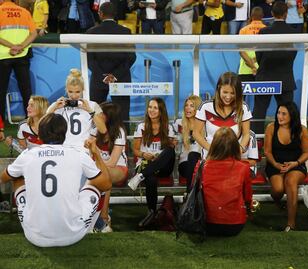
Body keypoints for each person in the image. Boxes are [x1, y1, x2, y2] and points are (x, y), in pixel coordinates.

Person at [0, 113, 111, 247]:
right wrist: (96, 154)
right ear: (65, 134)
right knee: (95, 183)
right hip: (73, 235)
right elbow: (106, 185)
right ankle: (98, 225)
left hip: (34, 236)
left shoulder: (27, 155)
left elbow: (4, 178)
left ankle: (30, 213)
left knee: (16, 177)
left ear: (39, 135)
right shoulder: (78, 155)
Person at [86, 2, 137, 133]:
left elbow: (90, 60)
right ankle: (124, 148)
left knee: (95, 113)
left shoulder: (91, 32)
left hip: (99, 79)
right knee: (122, 116)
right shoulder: (126, 32)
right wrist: (114, 76)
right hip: (121, 79)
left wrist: (103, 75)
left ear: (100, 14)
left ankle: (95, 143)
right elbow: (131, 57)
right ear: (115, 15)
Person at [129, 97, 176, 229]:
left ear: (161, 111)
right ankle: (151, 213)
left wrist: (160, 156)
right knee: (151, 178)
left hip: (163, 167)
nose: (151, 110)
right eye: (150, 107)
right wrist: (145, 154)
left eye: (155, 108)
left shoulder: (168, 127)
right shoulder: (141, 127)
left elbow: (170, 150)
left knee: (169, 151)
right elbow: (135, 150)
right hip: (146, 164)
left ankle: (139, 177)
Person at [252, 1, 297, 135]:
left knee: (259, 111)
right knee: (287, 111)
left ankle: (257, 142)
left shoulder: (264, 31)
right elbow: (293, 54)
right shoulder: (293, 32)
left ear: (272, 13)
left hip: (265, 77)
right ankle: (287, 138)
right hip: (285, 78)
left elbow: (258, 54)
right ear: (286, 14)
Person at [264, 102, 308, 231]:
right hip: (275, 164)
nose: (280, 116)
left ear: (292, 115)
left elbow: (307, 152)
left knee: (290, 182)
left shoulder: (302, 130)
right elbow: (267, 152)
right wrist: (276, 164)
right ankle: (278, 202)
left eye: (284, 114)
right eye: (278, 113)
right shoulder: (271, 128)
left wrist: (296, 163)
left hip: (295, 164)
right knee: (278, 189)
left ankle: (291, 224)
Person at [199, 126, 252, 236]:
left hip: (205, 223)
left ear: (214, 145)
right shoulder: (244, 168)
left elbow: (194, 191)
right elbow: (248, 198)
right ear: (235, 146)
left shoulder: (201, 166)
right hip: (235, 226)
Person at [193, 72, 252, 159]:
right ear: (218, 88)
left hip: (234, 160)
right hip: (210, 158)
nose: (228, 97)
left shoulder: (243, 107)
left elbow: (246, 134)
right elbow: (196, 133)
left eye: (232, 93)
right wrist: (212, 151)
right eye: (225, 92)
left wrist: (239, 150)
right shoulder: (205, 107)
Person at [90, 102, 128, 233]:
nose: (98, 115)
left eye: (101, 114)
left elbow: (112, 162)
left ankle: (104, 218)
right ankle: (89, 216)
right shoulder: (95, 129)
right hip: (99, 168)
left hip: (118, 169)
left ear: (108, 117)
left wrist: (96, 161)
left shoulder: (119, 132)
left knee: (104, 175)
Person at [47, 69, 107, 150]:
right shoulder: (59, 105)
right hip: (63, 150)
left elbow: (103, 130)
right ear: (66, 90)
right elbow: (42, 125)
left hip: (83, 150)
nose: (74, 95)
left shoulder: (92, 105)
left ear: (83, 89)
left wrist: (90, 111)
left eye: (77, 92)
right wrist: (53, 107)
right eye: (70, 92)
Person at [0, 0, 37, 120]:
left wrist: (12, 46)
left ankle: (1, 124)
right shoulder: (25, 12)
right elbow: (33, 34)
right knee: (26, 89)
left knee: (1, 90)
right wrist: (21, 46)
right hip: (22, 54)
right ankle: (31, 120)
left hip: (3, 56)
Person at [174, 95, 202, 193]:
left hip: (201, 163)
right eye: (186, 105)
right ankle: (189, 192)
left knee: (194, 155)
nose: (187, 108)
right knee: (191, 155)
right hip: (185, 164)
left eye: (191, 106)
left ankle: (190, 195)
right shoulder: (179, 124)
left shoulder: (204, 125)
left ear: (197, 108)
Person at [238, 6, 266, 83]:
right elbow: (266, 51)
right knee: (261, 94)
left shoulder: (243, 30)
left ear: (251, 16)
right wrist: (255, 63)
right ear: (262, 16)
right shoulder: (267, 30)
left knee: (241, 94)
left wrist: (252, 67)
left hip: (245, 68)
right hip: (262, 68)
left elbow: (241, 51)